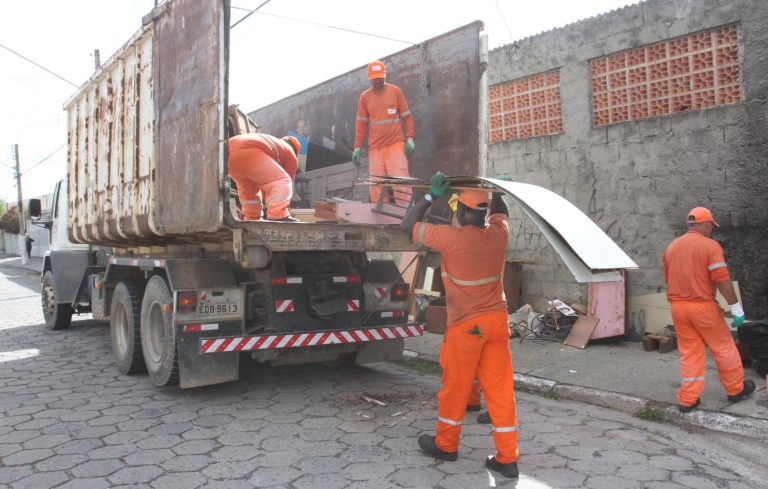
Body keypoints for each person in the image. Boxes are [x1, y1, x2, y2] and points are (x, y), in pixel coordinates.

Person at [402, 172, 519, 478]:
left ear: (463, 212)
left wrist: (429, 196)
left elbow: (407, 226)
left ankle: (446, 445)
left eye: (457, 209)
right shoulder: (497, 235)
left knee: (454, 387)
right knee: (501, 390)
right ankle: (507, 458)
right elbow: (501, 214)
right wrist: (498, 192)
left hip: (466, 325)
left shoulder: (450, 239)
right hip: (497, 322)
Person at [662, 207, 755, 413]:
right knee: (724, 348)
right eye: (711, 225)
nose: (712, 229)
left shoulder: (672, 246)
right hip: (702, 307)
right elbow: (721, 279)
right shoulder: (710, 246)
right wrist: (736, 307)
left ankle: (688, 399)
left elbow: (668, 278)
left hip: (678, 308)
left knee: (689, 352)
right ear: (705, 224)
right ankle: (735, 390)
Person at [353, 60, 415, 206]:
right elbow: (361, 124)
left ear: (385, 76)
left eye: (380, 78)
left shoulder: (395, 91)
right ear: (370, 78)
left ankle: (406, 217)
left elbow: (407, 116)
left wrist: (410, 138)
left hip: (395, 145)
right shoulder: (365, 97)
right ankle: (381, 221)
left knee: (401, 183)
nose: (377, 81)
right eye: (374, 78)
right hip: (375, 148)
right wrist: (357, 147)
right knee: (376, 186)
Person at [228, 133, 301, 222]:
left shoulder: (274, 142)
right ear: (295, 150)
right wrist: (275, 203)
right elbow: (287, 181)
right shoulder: (290, 152)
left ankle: (252, 218)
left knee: (249, 191)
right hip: (249, 151)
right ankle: (278, 214)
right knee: (281, 180)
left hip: (227, 154)